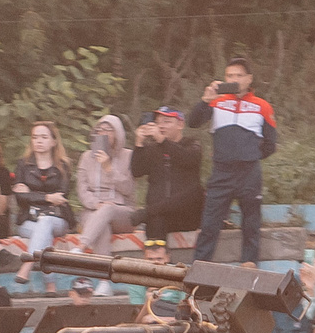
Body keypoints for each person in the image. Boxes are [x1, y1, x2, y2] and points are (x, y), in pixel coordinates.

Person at [192, 57, 279, 262]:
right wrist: (205, 100)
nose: (235, 79)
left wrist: (250, 156)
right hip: (221, 171)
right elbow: (193, 122)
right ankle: (199, 272)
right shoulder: (216, 101)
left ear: (249, 79)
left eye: (239, 75)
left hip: (249, 172)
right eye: (230, 75)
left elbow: (270, 144)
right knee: (209, 224)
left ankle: (249, 270)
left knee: (251, 226)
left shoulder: (262, 106)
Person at [128, 105, 204, 248]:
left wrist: (163, 141)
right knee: (155, 219)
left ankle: (147, 213)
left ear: (180, 124)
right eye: (158, 122)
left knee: (195, 191)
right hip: (159, 214)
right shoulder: (152, 149)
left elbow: (188, 159)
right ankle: (157, 260)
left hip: (186, 214)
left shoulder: (192, 144)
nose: (161, 126)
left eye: (167, 122)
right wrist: (139, 144)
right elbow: (136, 171)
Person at [11, 121, 72, 265]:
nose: (38, 141)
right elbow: (20, 197)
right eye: (35, 137)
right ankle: (50, 283)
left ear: (53, 141)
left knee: (46, 222)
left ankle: (28, 264)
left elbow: (61, 197)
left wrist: (31, 193)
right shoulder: (23, 165)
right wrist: (48, 197)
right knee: (44, 234)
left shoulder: (63, 166)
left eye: (44, 137)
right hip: (28, 220)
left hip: (57, 218)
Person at [76, 113, 138, 253]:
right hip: (92, 211)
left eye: (108, 130)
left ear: (117, 133)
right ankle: (103, 274)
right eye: (100, 130)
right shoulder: (86, 157)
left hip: (122, 212)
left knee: (108, 209)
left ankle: (80, 247)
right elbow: (82, 189)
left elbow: (128, 189)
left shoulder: (128, 156)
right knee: (102, 228)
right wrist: (96, 204)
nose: (103, 133)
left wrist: (108, 168)